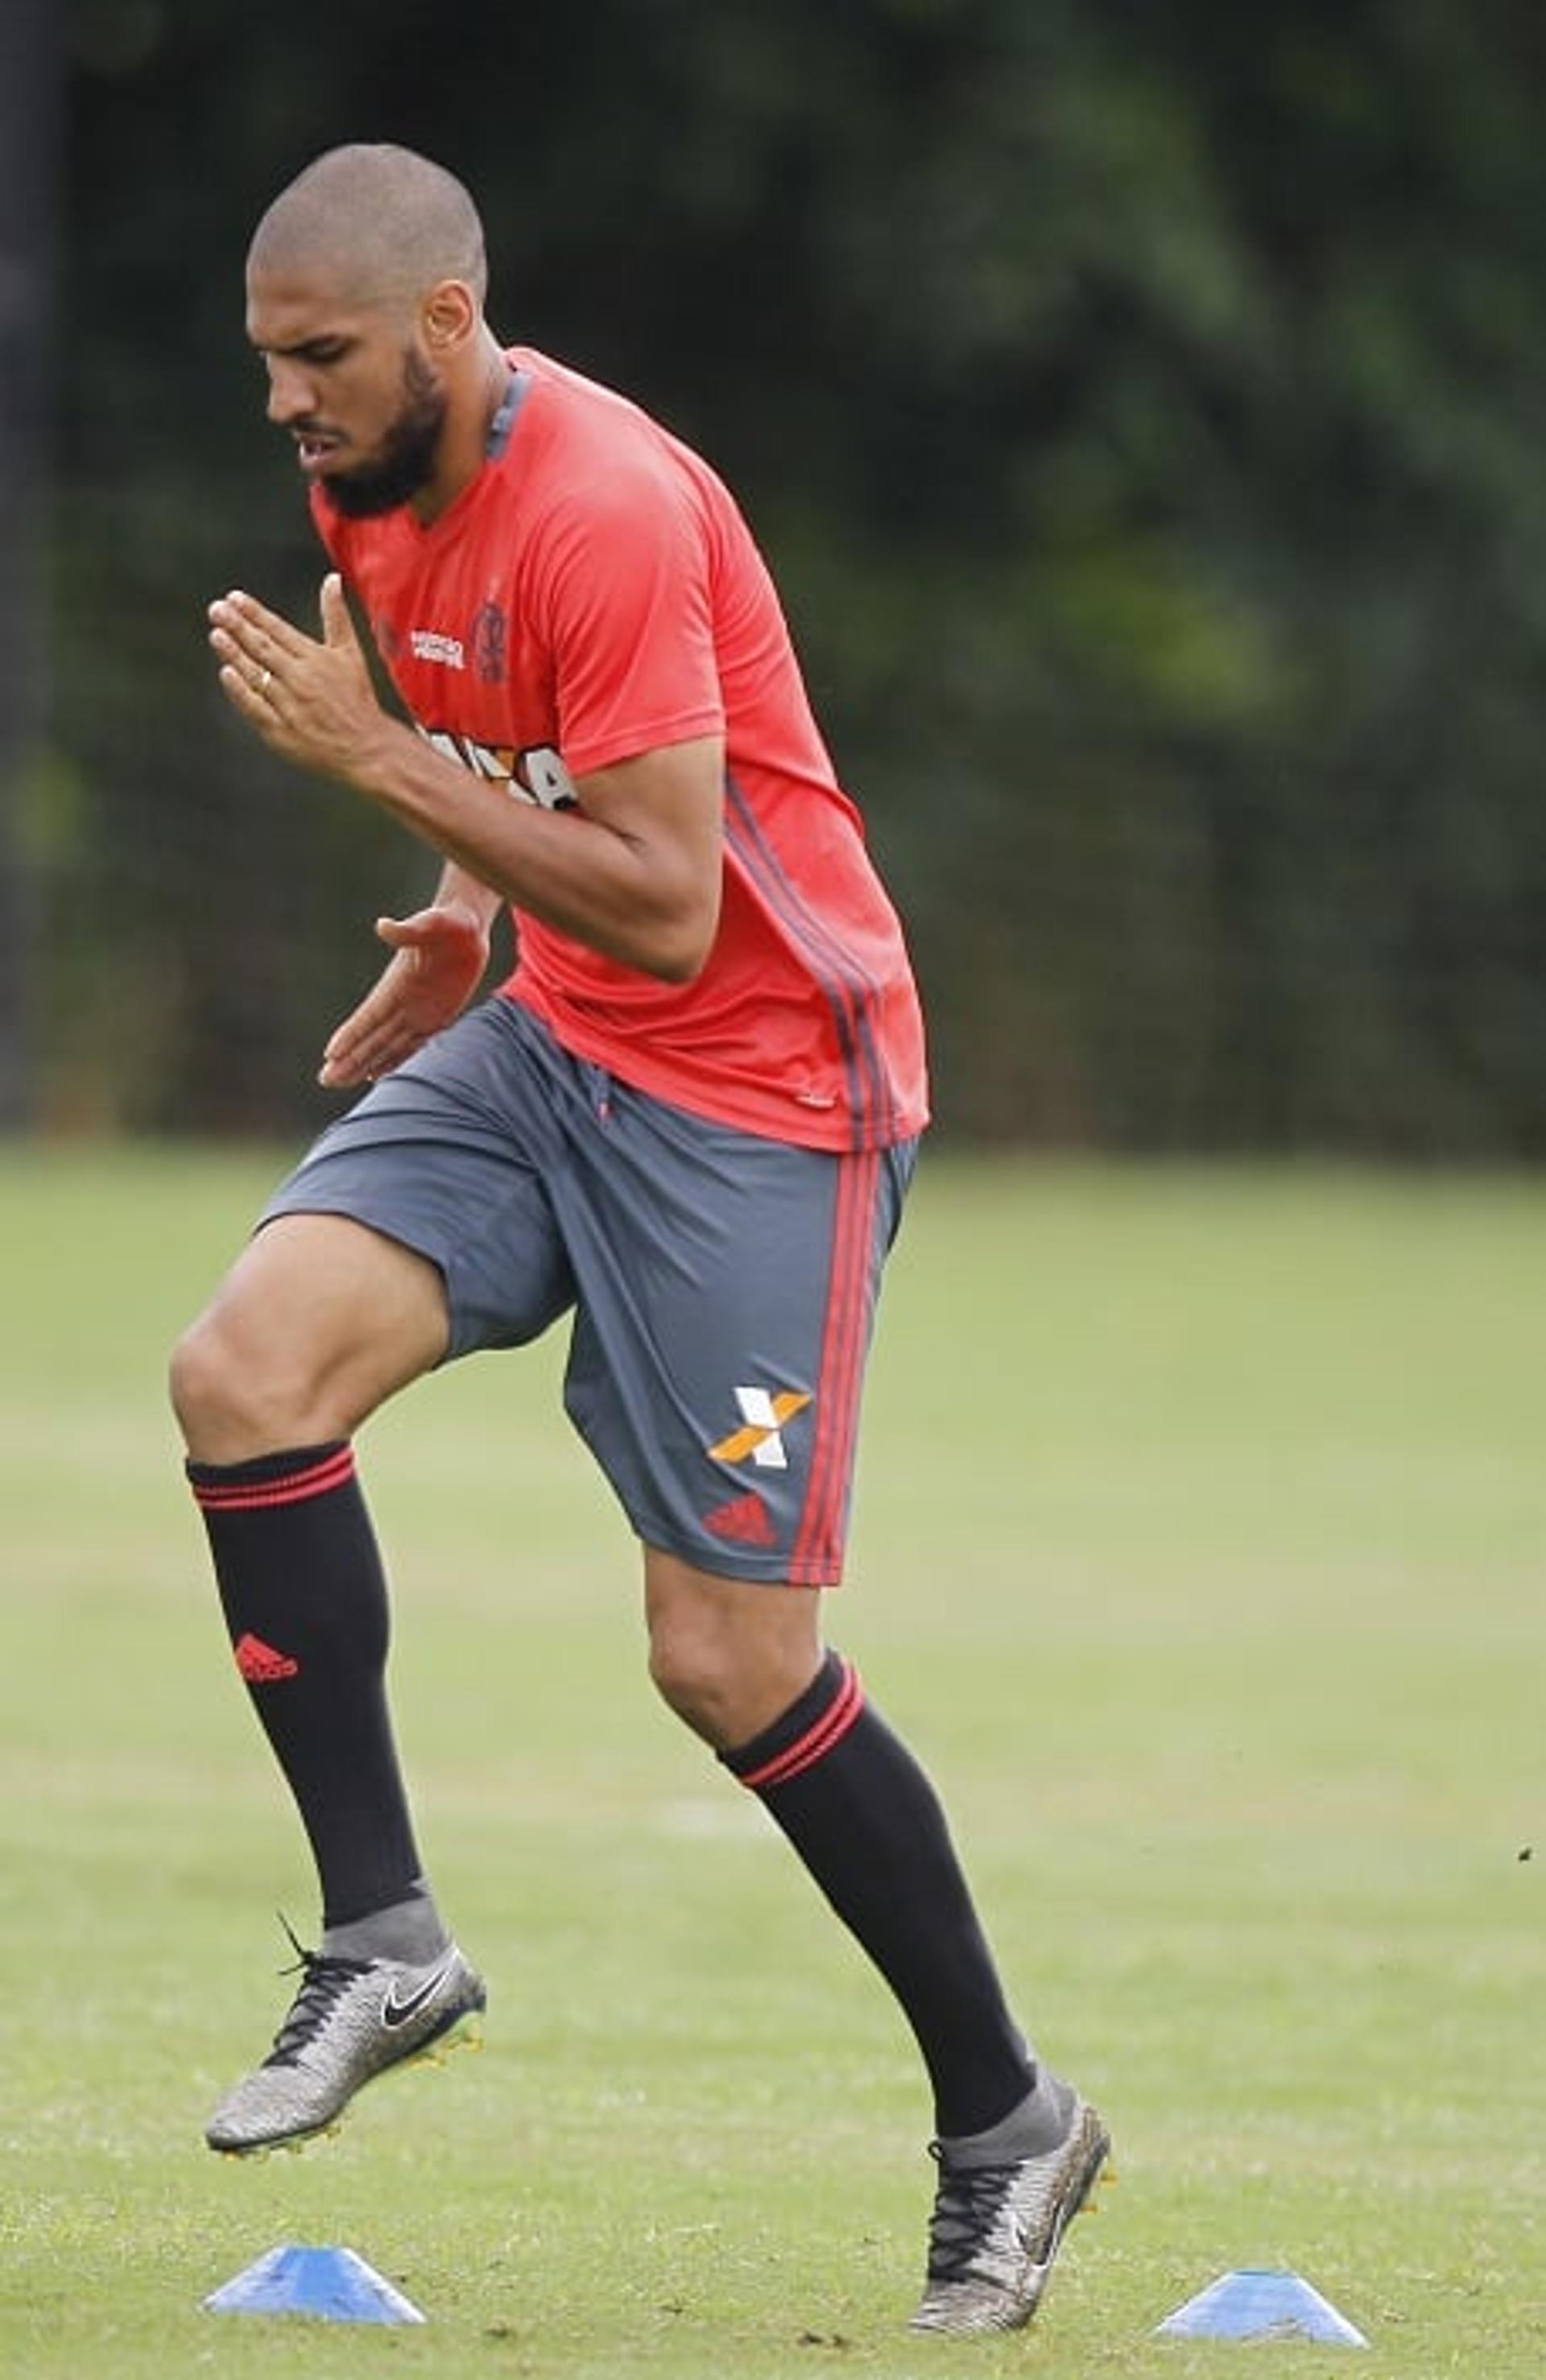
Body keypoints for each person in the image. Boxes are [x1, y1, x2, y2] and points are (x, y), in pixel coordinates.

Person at [171, 142, 1108, 2336]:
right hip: (556, 1041)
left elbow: (680, 898)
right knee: (244, 1371)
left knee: (727, 1661)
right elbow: (526, 762)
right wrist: (462, 917)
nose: (286, 403)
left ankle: (1010, 2117)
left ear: (446, 322)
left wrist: (389, 779)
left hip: (769, 1092)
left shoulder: (601, 501)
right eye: (267, 363)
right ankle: (383, 1935)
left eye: (318, 358)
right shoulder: (371, 480)